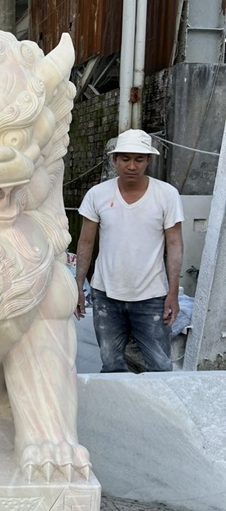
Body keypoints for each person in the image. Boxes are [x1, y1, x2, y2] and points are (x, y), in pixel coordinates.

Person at [75, 129, 184, 372]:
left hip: (152, 296)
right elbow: (85, 243)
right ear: (114, 160)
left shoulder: (166, 194)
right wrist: (78, 287)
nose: (132, 166)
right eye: (125, 159)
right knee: (111, 364)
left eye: (139, 159)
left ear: (148, 160)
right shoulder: (97, 195)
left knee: (160, 367)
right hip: (106, 294)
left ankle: (155, 399)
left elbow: (175, 245)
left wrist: (173, 293)